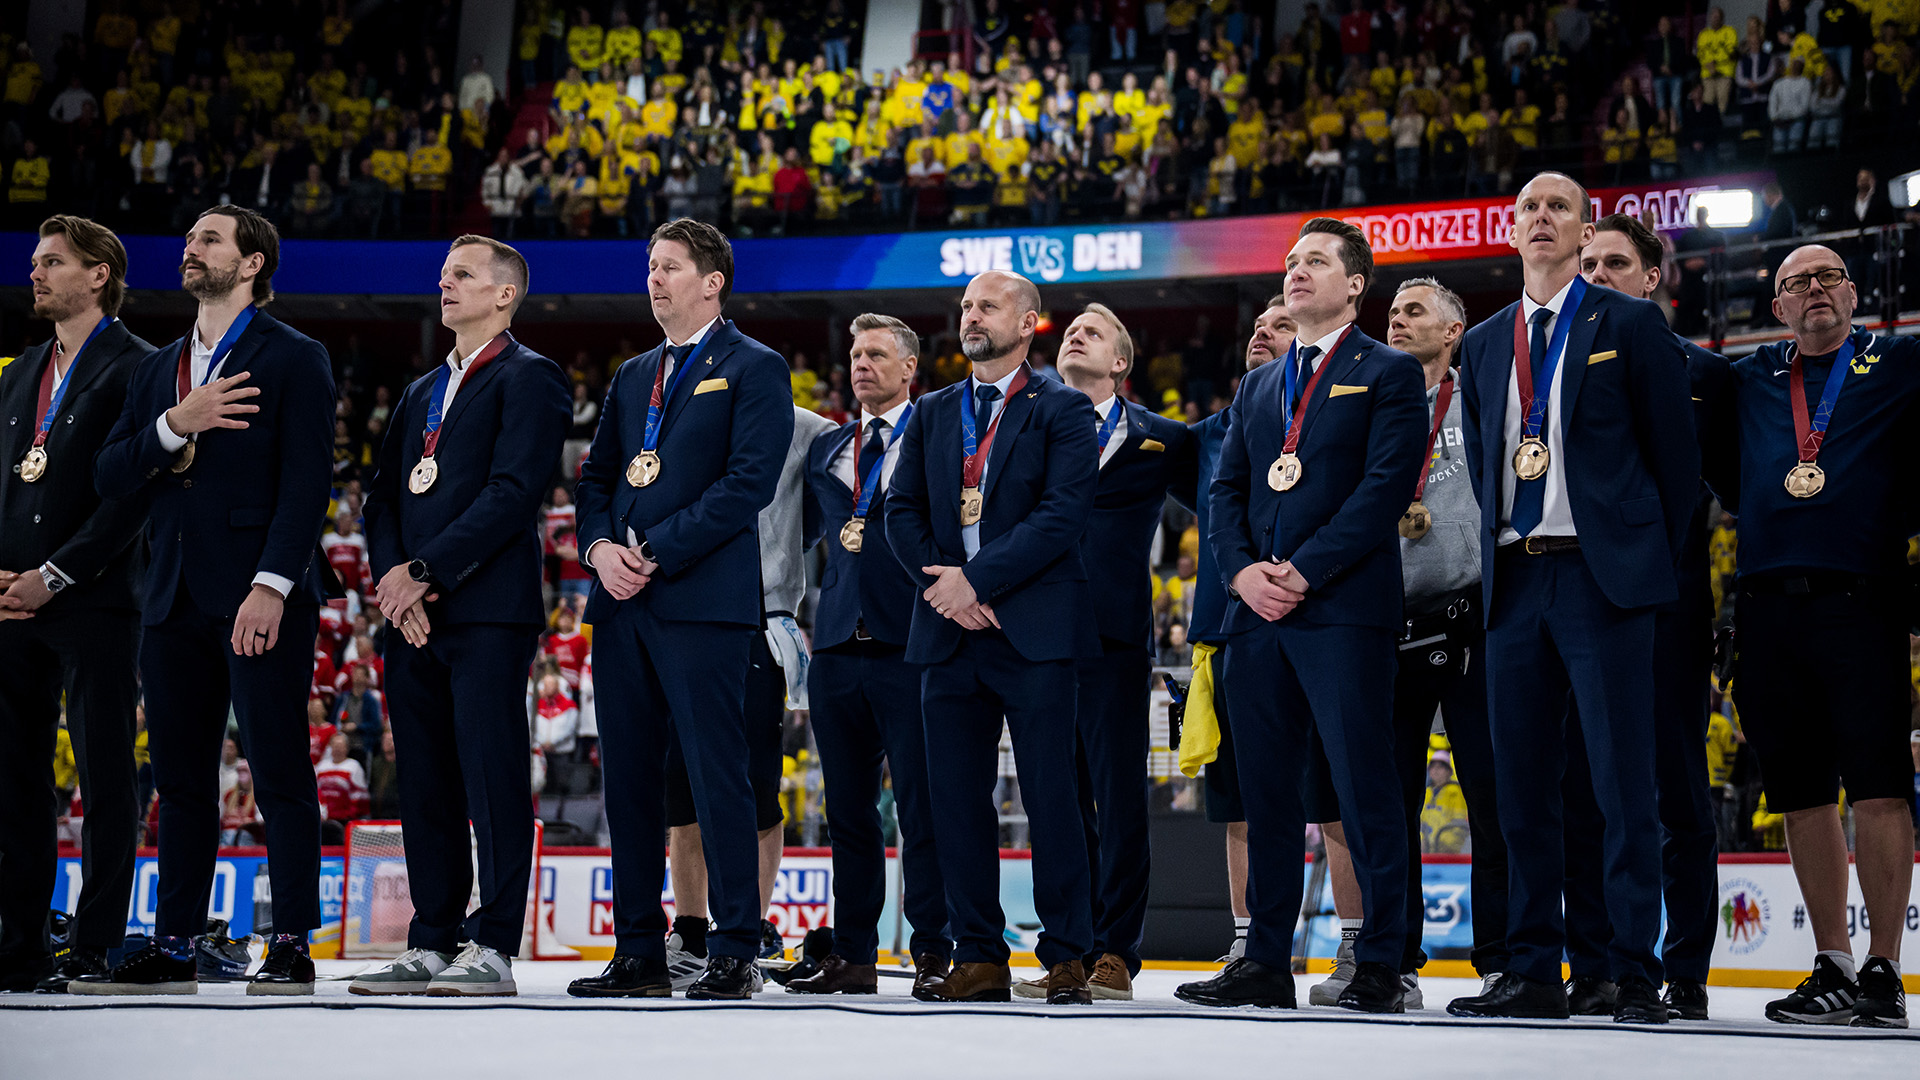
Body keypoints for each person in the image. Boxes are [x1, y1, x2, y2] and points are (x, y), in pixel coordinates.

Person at [1446, 174, 1697, 1024]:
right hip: (1515, 579)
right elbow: (1486, 468)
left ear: (1585, 230)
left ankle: (1631, 972)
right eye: (1529, 207)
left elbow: (1678, 467)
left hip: (1603, 579)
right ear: (1511, 229)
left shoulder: (1628, 323)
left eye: (1559, 207)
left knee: (1622, 786)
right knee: (1520, 789)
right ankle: (1531, 971)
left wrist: (1637, 561)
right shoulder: (1486, 342)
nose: (1542, 218)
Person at [83, 205, 336, 995]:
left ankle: (291, 942)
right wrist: (173, 425)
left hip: (260, 594)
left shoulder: (295, 355)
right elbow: (109, 474)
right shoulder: (158, 370)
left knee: (279, 771)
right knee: (180, 781)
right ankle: (176, 943)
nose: (190, 249)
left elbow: (308, 484)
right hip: (170, 594)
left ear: (252, 263)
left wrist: (271, 584)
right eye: (190, 239)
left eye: (210, 240)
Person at [1176, 218, 1425, 1014]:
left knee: (1363, 789)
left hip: (1344, 610)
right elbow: (1224, 492)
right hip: (1257, 616)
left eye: (1315, 260)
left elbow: (1386, 487)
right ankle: (1264, 962)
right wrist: (1243, 573)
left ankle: (1381, 962)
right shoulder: (1259, 386)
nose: (1296, 270)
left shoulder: (1389, 371)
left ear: (1354, 284)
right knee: (1266, 796)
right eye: (1290, 261)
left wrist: (1306, 570)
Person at [569, 219, 792, 1000]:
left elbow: (748, 482)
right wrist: (600, 550)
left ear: (712, 281)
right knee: (629, 782)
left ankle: (735, 950)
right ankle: (638, 950)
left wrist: (655, 550)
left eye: (670, 267)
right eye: (651, 266)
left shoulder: (755, 366)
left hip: (701, 602)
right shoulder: (634, 374)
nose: (654, 279)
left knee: (715, 776)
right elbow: (595, 479)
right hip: (620, 601)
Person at [351, 236, 569, 997]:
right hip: (411, 616)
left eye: (463, 274)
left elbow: (513, 493)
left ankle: (495, 945)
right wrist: (394, 584)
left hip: (486, 612)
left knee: (491, 775)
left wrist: (423, 574)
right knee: (424, 782)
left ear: (505, 294)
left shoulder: (531, 376)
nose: (445, 283)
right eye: (444, 273)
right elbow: (382, 498)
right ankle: (432, 939)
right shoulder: (421, 390)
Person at [885, 270, 1101, 1005]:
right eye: (966, 305)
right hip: (948, 631)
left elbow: (1063, 513)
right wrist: (945, 589)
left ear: (1029, 322)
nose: (971, 315)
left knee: (1052, 797)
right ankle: (978, 955)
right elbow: (900, 511)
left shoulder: (1063, 408)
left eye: (988, 305)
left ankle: (1067, 955)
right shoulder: (932, 411)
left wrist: (977, 583)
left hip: (1032, 630)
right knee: (954, 802)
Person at [1716, 245, 1916, 1028]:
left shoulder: (1898, 362)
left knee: (1879, 785)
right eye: (1796, 282)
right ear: (1778, 308)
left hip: (1862, 600)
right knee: (1800, 793)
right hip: (1767, 609)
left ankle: (1884, 972)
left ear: (1855, 294)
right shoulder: (1749, 378)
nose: (1815, 289)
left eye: (1829, 276)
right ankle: (1833, 962)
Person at [1567, 214, 1732, 1021]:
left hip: (1670, 610)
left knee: (1678, 792)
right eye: (1588, 264)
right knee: (1589, 789)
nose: (1597, 275)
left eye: (1614, 263)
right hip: (1581, 606)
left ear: (1652, 276)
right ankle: (1597, 964)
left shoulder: (1707, 374)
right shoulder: (1555, 367)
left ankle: (1686, 969)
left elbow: (1735, 493)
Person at [1014, 303, 1195, 1003]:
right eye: (1070, 331)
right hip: (1038, 636)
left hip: (1116, 640)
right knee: (1056, 801)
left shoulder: (1164, 439)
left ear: (1120, 362)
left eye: (1093, 333)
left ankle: (1117, 951)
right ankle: (1069, 950)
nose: (1075, 335)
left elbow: (1225, 499)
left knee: (1120, 800)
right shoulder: (1028, 424)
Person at [0, 216, 153, 993]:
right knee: (13, 778)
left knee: (105, 776)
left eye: (53, 261)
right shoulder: (20, 370)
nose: (36, 272)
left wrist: (54, 575)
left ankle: (92, 946)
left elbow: (133, 495)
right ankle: (20, 947)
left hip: (95, 600)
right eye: (35, 261)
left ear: (99, 275)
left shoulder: (141, 367)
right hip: (10, 603)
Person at [790, 314, 953, 997]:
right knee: (848, 814)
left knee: (922, 809)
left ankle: (933, 952)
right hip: (835, 644)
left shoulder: (939, 435)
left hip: (911, 642)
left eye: (878, 354)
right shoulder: (828, 445)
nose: (862, 364)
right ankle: (853, 955)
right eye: (857, 354)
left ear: (910, 367)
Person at [659, 369, 835, 989]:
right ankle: (689, 928)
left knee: (756, 785)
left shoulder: (809, 428)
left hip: (759, 619)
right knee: (682, 787)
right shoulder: (684, 415)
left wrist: (781, 551)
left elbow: (828, 511)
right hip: (684, 617)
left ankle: (751, 929)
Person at [1376, 277, 1510, 1000]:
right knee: (1391, 803)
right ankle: (1393, 961)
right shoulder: (1370, 402)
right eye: (1392, 312)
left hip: (1470, 619)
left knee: (1491, 797)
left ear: (1454, 331)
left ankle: (1502, 961)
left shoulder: (1482, 398)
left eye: (1414, 311)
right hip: (1387, 622)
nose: (1397, 320)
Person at [1180, 299, 1293, 965]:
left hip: (1314, 621)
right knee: (1239, 798)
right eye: (1256, 326)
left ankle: (1356, 947)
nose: (1262, 333)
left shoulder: (1337, 409)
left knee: (1328, 797)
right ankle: (1248, 943)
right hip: (1227, 633)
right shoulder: (1204, 436)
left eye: (1280, 325)